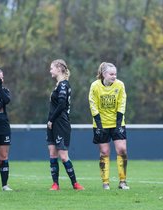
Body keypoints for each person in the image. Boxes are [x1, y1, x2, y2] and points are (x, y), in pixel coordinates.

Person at [88, 62, 130, 190]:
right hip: (101, 123)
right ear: (104, 74)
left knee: (122, 150)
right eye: (111, 74)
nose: (114, 76)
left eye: (115, 74)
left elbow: (122, 102)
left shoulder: (120, 85)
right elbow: (93, 104)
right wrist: (99, 124)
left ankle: (122, 182)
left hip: (117, 122)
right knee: (104, 152)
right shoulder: (95, 86)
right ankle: (105, 183)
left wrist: (118, 123)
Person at [46, 59, 84, 191]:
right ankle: (55, 184)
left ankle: (75, 184)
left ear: (59, 68)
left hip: (60, 123)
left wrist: (51, 119)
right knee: (52, 153)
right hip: (52, 122)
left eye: (52, 68)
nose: (50, 70)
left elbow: (62, 104)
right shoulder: (58, 85)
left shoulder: (63, 85)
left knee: (63, 156)